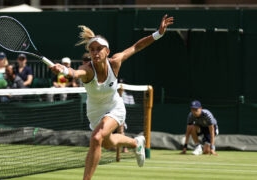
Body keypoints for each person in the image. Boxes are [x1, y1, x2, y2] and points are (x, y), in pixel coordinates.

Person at [50, 14, 174, 180]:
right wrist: (65, 71)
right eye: (92, 49)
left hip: (114, 108)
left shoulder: (115, 62)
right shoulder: (87, 70)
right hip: (94, 112)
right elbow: (75, 72)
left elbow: (136, 47)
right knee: (108, 143)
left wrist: (158, 33)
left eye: (99, 49)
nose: (95, 52)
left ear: (107, 51)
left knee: (96, 137)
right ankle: (136, 143)